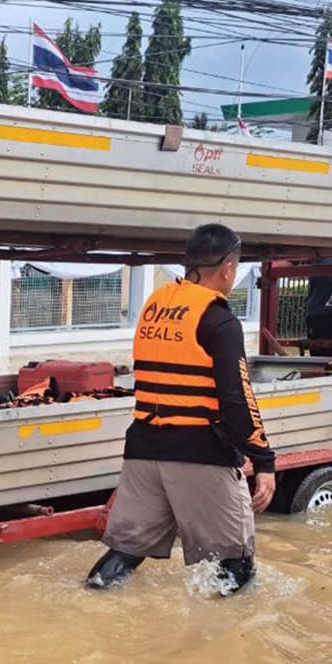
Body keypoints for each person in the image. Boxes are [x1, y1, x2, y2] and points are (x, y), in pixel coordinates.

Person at [87, 223, 277, 596]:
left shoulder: (155, 304)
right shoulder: (219, 319)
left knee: (125, 552)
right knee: (236, 562)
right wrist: (265, 462)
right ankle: (220, 648)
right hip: (200, 454)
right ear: (228, 270)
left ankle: (89, 599)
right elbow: (238, 400)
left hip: (143, 451)